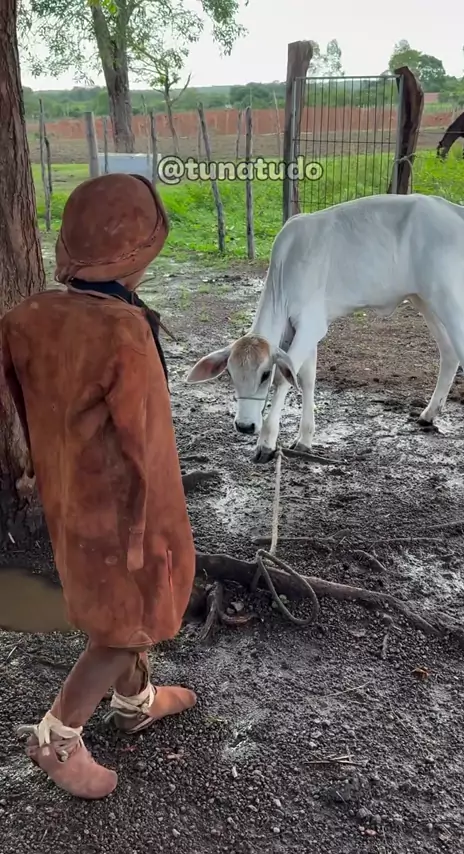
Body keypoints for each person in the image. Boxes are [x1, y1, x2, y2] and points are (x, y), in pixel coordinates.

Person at [1, 173, 197, 800]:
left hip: (66, 497)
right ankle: (57, 737)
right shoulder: (124, 331)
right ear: (142, 250)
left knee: (116, 606)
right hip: (125, 509)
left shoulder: (27, 316)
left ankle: (135, 702)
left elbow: (22, 409)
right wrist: (163, 536)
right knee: (128, 621)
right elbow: (150, 451)